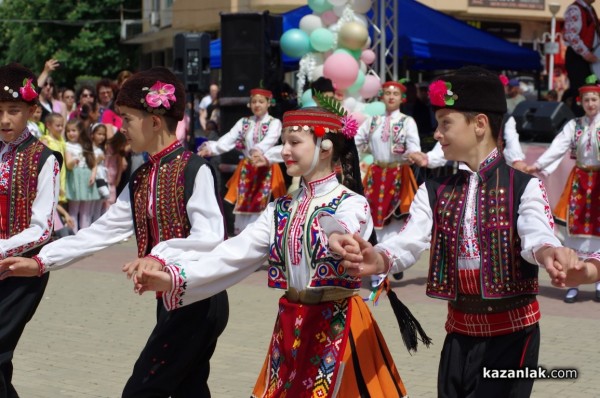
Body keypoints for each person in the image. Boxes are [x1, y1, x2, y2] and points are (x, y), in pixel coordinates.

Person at [329, 66, 579, 398]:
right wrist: (379, 257)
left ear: (479, 125)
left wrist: (550, 252)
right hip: (459, 333)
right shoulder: (434, 189)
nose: (438, 133)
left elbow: (536, 232)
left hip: (512, 337)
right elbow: (410, 239)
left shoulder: (523, 186)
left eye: (446, 123)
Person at [134, 107, 411, 397]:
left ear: (325, 147)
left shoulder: (350, 202)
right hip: (291, 325)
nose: (285, 150)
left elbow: (345, 225)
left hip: (337, 324)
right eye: (284, 142)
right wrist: (175, 276)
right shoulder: (279, 209)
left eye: (294, 142)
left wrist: (339, 237)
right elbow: (233, 253)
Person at [0, 67, 229, 398]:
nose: (121, 128)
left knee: (142, 389)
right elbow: (100, 231)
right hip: (170, 299)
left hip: (201, 300)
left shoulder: (195, 170)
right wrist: (40, 262)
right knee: (189, 389)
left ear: (153, 120)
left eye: (127, 119)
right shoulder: (141, 177)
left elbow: (210, 236)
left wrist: (157, 256)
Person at [0, 63, 62, 398]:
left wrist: (2, 248)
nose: (5, 120)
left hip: (22, 273)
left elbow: (42, 229)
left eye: (13, 111)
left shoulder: (44, 159)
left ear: (31, 111)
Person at [525, 75, 600, 303]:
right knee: (572, 231)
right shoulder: (574, 126)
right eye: (587, 100)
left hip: (598, 182)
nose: (590, 104)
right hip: (579, 181)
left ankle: (598, 281)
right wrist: (536, 165)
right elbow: (557, 149)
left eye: (594, 100)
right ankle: (573, 282)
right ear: (580, 102)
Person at [355, 80, 421, 285]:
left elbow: (414, 146)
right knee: (373, 219)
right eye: (387, 93)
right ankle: (378, 268)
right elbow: (356, 141)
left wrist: (412, 154)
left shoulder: (407, 121)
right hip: (376, 174)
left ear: (402, 98)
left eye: (395, 94)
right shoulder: (372, 121)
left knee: (396, 220)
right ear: (381, 97)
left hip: (398, 173)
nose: (391, 97)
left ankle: (392, 260)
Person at [198, 87, 286, 235]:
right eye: (254, 102)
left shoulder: (274, 122)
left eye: (261, 102)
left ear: (268, 103)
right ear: (249, 104)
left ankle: (262, 238)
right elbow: (229, 139)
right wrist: (212, 148)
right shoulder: (244, 122)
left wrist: (257, 151)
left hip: (266, 166)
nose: (257, 105)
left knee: (264, 205)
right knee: (244, 205)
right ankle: (244, 238)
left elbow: (270, 139)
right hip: (248, 169)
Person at [64, 119, 98, 232]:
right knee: (74, 209)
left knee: (86, 211)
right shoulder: (67, 145)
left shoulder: (85, 145)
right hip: (75, 177)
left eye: (74, 130)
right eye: (68, 131)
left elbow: (94, 163)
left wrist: (93, 175)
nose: (71, 133)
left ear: (80, 131)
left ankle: (85, 233)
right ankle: (73, 234)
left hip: (87, 176)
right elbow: (68, 165)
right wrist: (74, 161)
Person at [563, 0, 600, 96]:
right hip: (578, 59)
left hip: (589, 60)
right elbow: (570, 35)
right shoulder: (575, 9)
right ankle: (578, 110)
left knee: (592, 87)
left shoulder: (590, 9)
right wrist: (585, 53)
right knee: (581, 90)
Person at [40, 113, 68, 204]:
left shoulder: (61, 140)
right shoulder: (45, 140)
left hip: (61, 177)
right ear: (48, 125)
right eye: (57, 125)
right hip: (51, 177)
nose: (60, 128)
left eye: (62, 126)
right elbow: (44, 162)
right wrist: (55, 183)